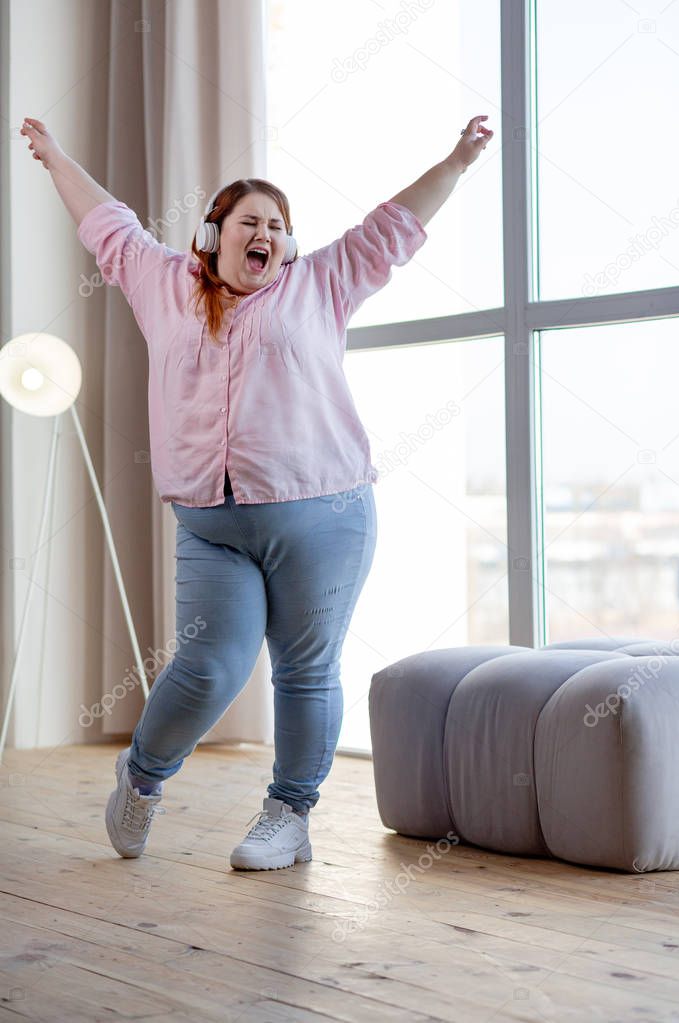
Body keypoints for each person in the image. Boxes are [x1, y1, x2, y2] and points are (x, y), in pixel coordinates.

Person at [20, 113, 493, 871]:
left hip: (326, 513)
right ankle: (140, 777)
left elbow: (394, 225)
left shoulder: (322, 283)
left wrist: (459, 159)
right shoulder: (161, 282)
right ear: (213, 235)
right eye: (251, 221)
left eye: (278, 224)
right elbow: (107, 222)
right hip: (210, 522)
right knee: (206, 668)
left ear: (290, 245)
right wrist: (54, 159)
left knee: (305, 670)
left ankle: (289, 813)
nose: (265, 233)